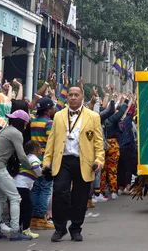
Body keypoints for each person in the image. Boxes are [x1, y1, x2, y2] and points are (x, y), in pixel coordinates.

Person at [42, 86, 105, 242]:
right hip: (63, 160)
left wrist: (99, 160)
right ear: (67, 97)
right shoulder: (58, 116)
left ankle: (76, 228)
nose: (73, 98)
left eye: (76, 95)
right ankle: (60, 228)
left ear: (82, 96)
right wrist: (47, 161)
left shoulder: (93, 116)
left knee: (80, 197)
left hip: (83, 161)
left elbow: (98, 142)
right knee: (60, 192)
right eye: (70, 95)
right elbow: (52, 140)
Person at [0, 110, 34, 242]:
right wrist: (33, 167)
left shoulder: (4, 130)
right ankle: (15, 231)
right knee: (15, 198)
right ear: (24, 123)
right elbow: (22, 156)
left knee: (0, 198)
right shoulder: (16, 133)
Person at [29, 97, 56, 231]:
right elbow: (52, 142)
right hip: (45, 160)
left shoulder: (33, 121)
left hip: (33, 160)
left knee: (36, 188)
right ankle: (41, 218)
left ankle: (34, 218)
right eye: (52, 107)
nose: (54, 109)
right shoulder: (49, 123)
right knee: (45, 189)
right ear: (48, 109)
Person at [14, 141, 43, 239]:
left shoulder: (28, 157)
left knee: (22, 208)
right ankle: (26, 229)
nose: (41, 150)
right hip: (23, 185)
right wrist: (41, 173)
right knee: (28, 208)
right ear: (35, 150)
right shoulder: (34, 159)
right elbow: (35, 167)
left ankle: (17, 227)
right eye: (40, 148)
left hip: (19, 184)